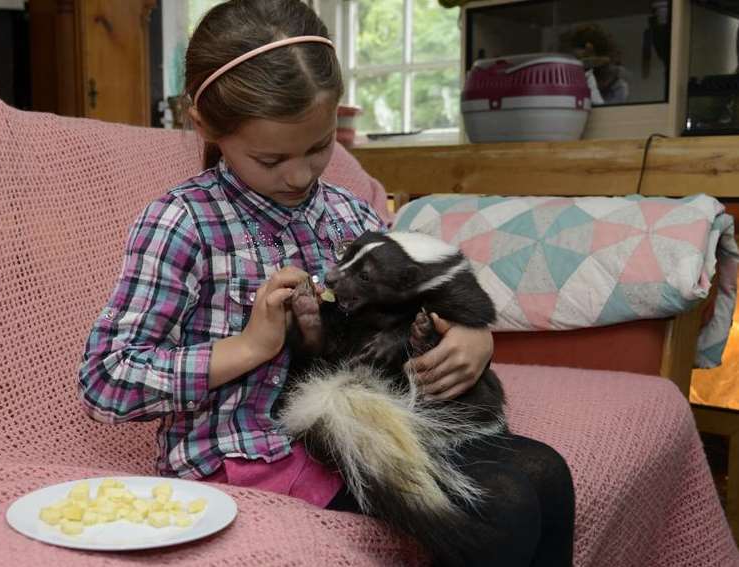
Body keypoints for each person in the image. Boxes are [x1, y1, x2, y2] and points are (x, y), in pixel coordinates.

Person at [78, 1, 573, 565]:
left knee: (547, 476)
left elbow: (418, 297)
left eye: (319, 148)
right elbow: (105, 380)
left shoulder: (349, 214)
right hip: (251, 455)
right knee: (501, 510)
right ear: (206, 125)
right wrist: (248, 348)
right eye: (270, 158)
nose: (299, 175)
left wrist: (470, 336)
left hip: (369, 425)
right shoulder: (183, 223)